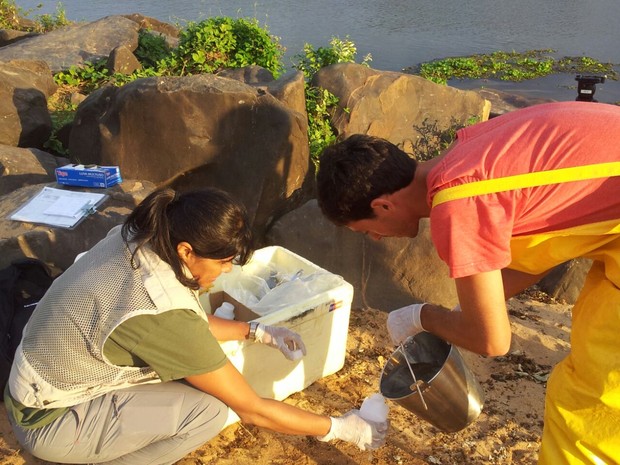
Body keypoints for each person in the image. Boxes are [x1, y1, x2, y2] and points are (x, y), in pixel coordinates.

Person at [316, 101, 620, 465]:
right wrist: (465, 313)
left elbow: (492, 341)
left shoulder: (459, 202)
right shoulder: (468, 153)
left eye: (367, 230)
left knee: (585, 407)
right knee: (594, 327)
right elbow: (544, 251)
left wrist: (422, 317)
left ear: (382, 206)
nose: (377, 239)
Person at [4, 187, 387, 464]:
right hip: (49, 420)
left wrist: (256, 331)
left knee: (187, 381)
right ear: (187, 250)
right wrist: (343, 428)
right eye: (222, 262)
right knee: (209, 412)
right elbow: (252, 408)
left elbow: (175, 320)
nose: (224, 273)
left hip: (36, 381)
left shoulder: (140, 236)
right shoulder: (160, 311)